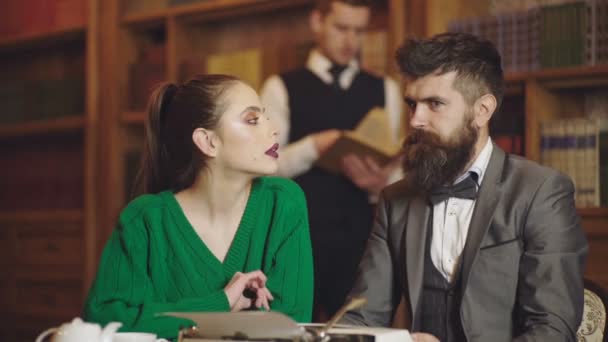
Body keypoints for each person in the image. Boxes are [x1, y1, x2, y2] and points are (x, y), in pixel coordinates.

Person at [341, 32, 588, 342]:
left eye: (434, 104)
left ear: (482, 110)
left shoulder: (541, 192)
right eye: (412, 104)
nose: (416, 119)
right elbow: (361, 317)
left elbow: (552, 331)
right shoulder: (395, 199)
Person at [84, 75, 314, 340]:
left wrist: (172, 323)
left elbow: (289, 327)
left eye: (265, 117)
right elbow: (101, 325)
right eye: (253, 120)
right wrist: (221, 303)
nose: (272, 130)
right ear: (208, 142)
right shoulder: (144, 220)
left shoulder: (284, 203)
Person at [260, 0, 403, 319]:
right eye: (341, 28)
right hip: (295, 240)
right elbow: (264, 169)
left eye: (359, 31)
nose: (351, 41)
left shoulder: (386, 90)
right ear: (317, 22)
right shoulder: (280, 87)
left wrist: (380, 183)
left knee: (361, 330)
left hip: (362, 243)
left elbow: (396, 172)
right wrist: (316, 146)